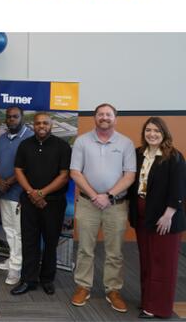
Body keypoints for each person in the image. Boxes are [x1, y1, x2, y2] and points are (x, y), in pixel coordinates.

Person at [70, 103, 136, 313]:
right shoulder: (82, 141)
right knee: (85, 249)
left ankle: (113, 290)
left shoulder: (126, 143)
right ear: (94, 118)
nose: (104, 117)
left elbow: (129, 175)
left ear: (115, 118)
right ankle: (83, 286)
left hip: (115, 205)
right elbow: (75, 172)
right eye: (100, 114)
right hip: (88, 204)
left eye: (108, 114)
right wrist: (94, 196)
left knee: (114, 252)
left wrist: (108, 195)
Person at [128, 117, 186, 319]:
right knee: (147, 260)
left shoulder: (174, 157)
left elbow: (178, 190)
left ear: (164, 134)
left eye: (157, 131)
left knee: (163, 263)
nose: (152, 134)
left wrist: (168, 215)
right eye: (148, 130)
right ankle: (147, 302)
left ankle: (158, 308)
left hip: (165, 219)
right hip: (143, 217)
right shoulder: (138, 154)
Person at [9, 113, 72, 296]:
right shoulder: (25, 145)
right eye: (38, 123)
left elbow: (64, 175)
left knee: (51, 242)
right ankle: (28, 280)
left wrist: (42, 193)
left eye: (45, 123)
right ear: (33, 125)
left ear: (51, 125)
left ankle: (47, 279)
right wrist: (32, 192)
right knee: (29, 242)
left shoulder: (62, 146)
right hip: (29, 201)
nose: (41, 126)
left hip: (53, 203)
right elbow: (18, 170)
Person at [0, 106, 34, 285]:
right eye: (9, 117)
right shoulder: (2, 139)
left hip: (19, 193)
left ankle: (16, 268)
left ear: (22, 118)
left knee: (17, 232)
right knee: (8, 229)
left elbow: (29, 166)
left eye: (15, 117)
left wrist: (8, 182)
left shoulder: (29, 137)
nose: (12, 120)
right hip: (3, 192)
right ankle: (13, 259)